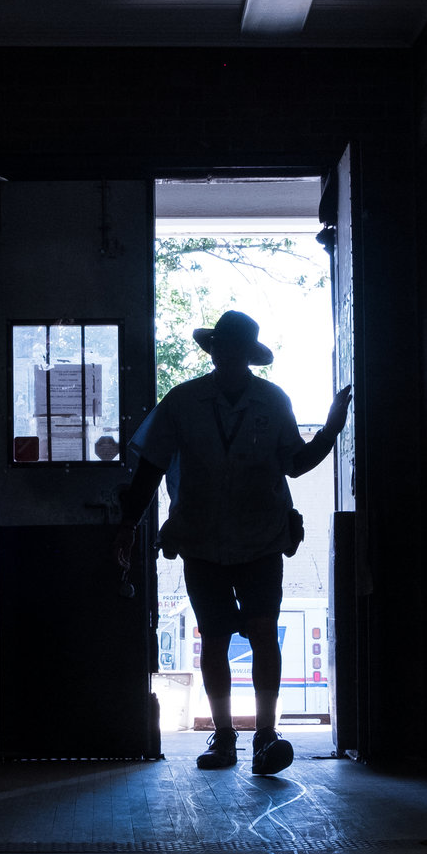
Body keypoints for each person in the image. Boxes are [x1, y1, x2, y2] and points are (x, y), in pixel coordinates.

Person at [116, 310, 352, 775]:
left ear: (246, 355)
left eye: (237, 349)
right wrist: (129, 524)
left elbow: (296, 463)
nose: (229, 355)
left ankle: (266, 735)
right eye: (222, 347)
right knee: (216, 638)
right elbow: (150, 468)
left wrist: (330, 430)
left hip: (262, 536)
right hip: (201, 537)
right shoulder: (182, 402)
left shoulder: (272, 401)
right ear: (214, 350)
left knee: (264, 632)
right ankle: (224, 737)